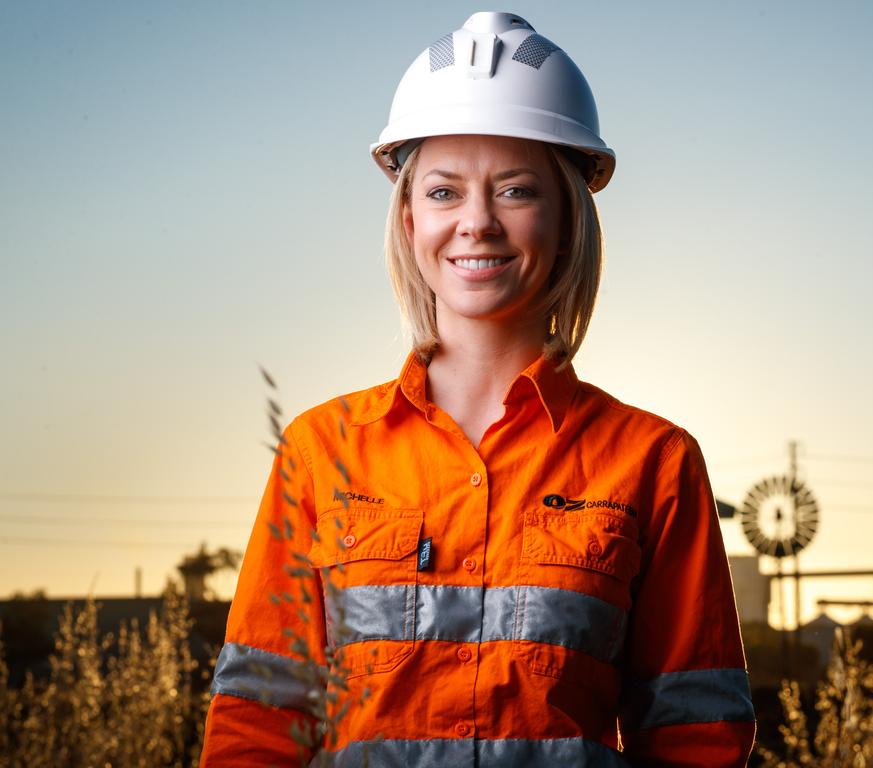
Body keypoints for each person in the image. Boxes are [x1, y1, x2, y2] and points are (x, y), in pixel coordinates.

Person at [201, 11, 755, 767]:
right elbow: (258, 726)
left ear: (568, 219)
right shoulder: (319, 451)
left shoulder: (654, 461)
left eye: (518, 190)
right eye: (443, 192)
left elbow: (698, 737)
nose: (477, 223)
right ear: (407, 217)